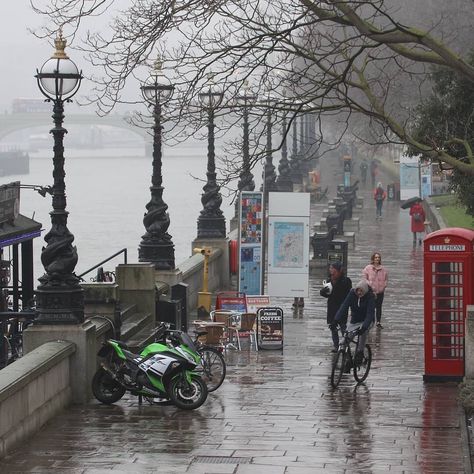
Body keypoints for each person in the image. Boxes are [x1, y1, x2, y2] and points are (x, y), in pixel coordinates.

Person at [334, 279, 375, 365]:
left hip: (366, 321)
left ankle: (360, 352)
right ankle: (347, 360)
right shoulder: (352, 294)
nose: (359, 293)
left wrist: (364, 327)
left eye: (361, 291)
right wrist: (336, 320)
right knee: (346, 339)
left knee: (362, 333)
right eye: (358, 290)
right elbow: (344, 306)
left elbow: (370, 314)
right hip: (355, 321)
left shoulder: (370, 297)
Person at [320, 261, 352, 352]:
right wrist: (323, 292)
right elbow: (328, 295)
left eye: (332, 268)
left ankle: (345, 345)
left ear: (338, 270)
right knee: (333, 327)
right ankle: (336, 345)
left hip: (342, 307)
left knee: (343, 327)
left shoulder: (346, 280)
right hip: (332, 307)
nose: (331, 270)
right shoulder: (329, 280)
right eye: (330, 268)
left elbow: (349, 294)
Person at [362, 252, 388, 329]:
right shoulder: (368, 268)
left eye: (378, 257)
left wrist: (384, 285)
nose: (377, 259)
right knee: (371, 307)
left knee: (379, 307)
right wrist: (369, 284)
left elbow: (386, 278)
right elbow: (364, 277)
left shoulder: (383, 269)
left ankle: (378, 322)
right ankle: (371, 321)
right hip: (371, 291)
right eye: (376, 257)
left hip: (380, 291)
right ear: (373, 259)